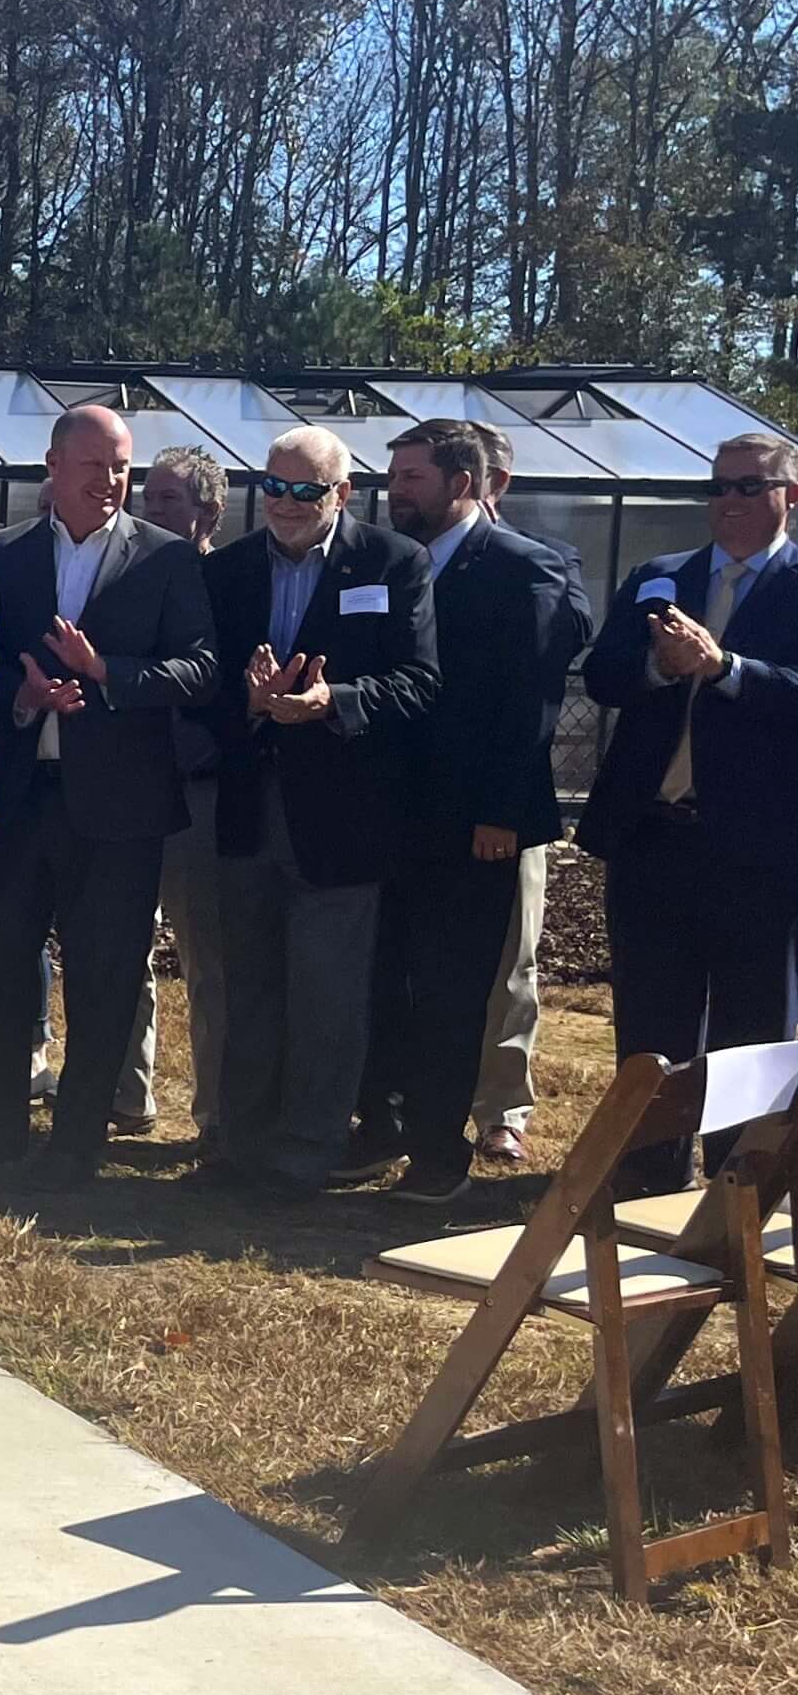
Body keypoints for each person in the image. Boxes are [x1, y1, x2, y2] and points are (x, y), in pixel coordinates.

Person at [0, 406, 217, 1194]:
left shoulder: (166, 560)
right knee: (2, 964)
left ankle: (77, 1142)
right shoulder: (4, 555)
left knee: (104, 976)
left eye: (119, 467)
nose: (108, 481)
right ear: (52, 464)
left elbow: (201, 668)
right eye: (93, 465)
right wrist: (22, 697)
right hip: (19, 797)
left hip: (119, 809)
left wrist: (109, 673)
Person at [192, 426, 437, 1196]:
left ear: (341, 493)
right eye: (272, 487)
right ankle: (239, 1147)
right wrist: (249, 699)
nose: (284, 504)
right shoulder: (229, 569)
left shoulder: (393, 563)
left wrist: (334, 702)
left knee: (328, 996)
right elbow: (200, 684)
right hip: (247, 811)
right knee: (249, 988)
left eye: (303, 490)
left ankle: (306, 1153)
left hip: (340, 821)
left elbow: (420, 682)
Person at [359, 419, 593, 1206]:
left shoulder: (520, 571)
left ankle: (437, 1154)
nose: (395, 491)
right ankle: (379, 1126)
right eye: (393, 477)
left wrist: (498, 811)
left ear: (462, 483)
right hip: (392, 814)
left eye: (412, 478)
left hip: (475, 827)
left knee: (452, 990)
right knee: (384, 978)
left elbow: (528, 705)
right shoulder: (387, 564)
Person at [577, 429, 798, 1198]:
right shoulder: (658, 577)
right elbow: (602, 675)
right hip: (653, 840)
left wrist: (726, 669)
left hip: (755, 850)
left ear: (787, 496)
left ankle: (738, 1183)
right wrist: (655, 664)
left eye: (747, 487)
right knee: (648, 1019)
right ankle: (644, 1176)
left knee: (748, 1024)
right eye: (717, 487)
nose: (728, 502)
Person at [120, 444, 229, 1141]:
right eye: (148, 497)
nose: (152, 509)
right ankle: (125, 1095)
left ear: (207, 511)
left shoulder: (229, 582)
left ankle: (217, 1113)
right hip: (125, 789)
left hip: (196, 794)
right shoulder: (127, 573)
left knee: (206, 958)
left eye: (168, 499)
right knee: (119, 946)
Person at [469, 421, 553, 1167]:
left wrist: (503, 806)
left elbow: (561, 647)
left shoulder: (542, 562)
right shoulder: (411, 560)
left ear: (497, 481)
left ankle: (502, 1108)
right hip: (424, 800)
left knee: (509, 959)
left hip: (510, 800)